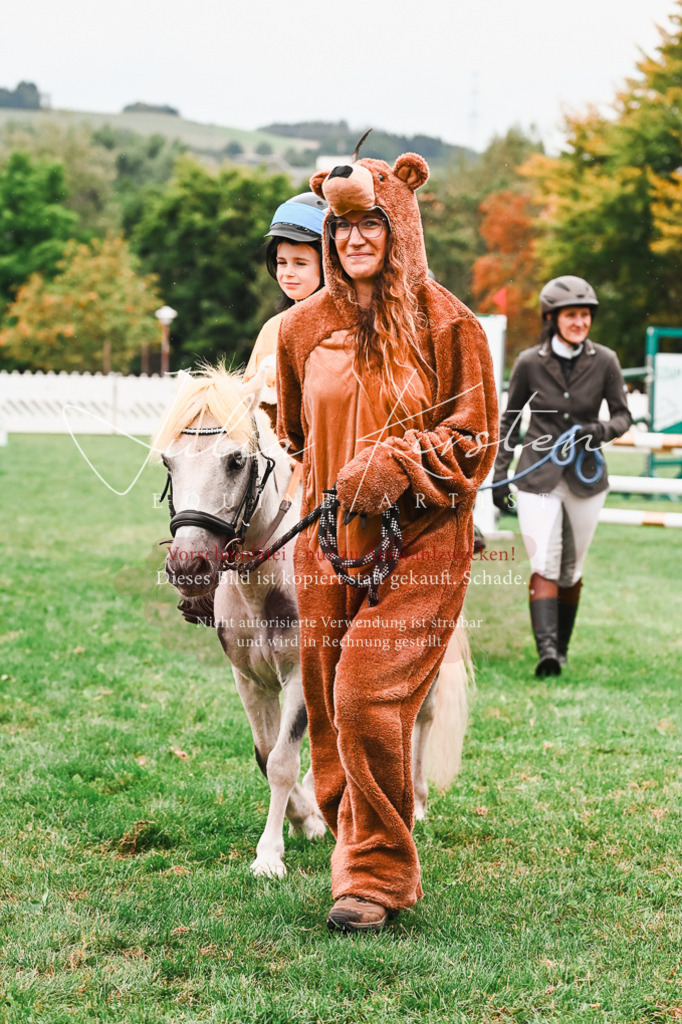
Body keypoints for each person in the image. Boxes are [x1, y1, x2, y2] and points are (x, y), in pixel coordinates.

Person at [276, 152, 498, 933]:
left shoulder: (451, 325)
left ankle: (377, 877)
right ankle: (354, 848)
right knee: (334, 721)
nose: (355, 236)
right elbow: (298, 436)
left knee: (365, 697)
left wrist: (396, 462)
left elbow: (475, 443)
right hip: (329, 546)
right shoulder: (301, 330)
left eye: (372, 220)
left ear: (399, 223)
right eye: (343, 224)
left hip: (424, 543)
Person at [492, 275, 632, 677]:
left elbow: (623, 416)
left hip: (586, 477)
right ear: (553, 318)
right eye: (572, 315)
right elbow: (511, 420)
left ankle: (562, 648)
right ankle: (547, 653)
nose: (580, 323)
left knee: (572, 568)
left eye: (585, 316)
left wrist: (599, 430)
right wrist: (500, 474)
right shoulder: (529, 362)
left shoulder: (605, 359)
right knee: (544, 560)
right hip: (538, 476)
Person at [243, 192, 327, 396]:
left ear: (328, 265)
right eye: (282, 262)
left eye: (300, 263)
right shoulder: (273, 328)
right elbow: (249, 401)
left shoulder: (349, 326)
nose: (288, 273)